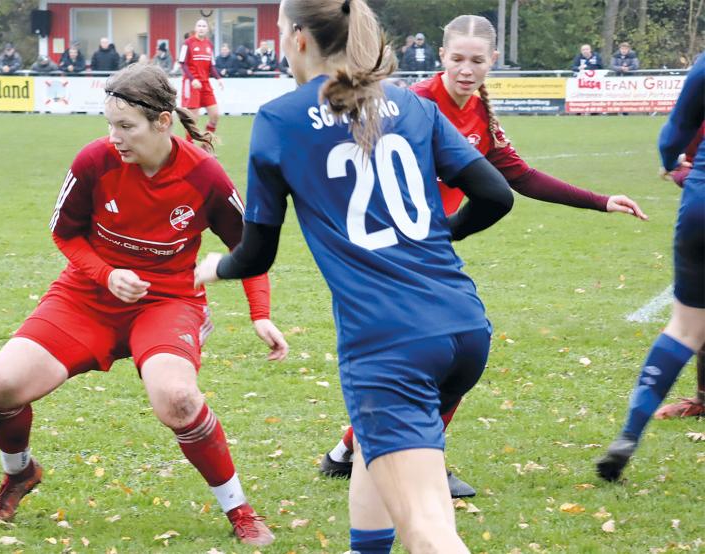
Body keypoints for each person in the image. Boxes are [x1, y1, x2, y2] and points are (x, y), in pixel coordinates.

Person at [194, 2, 514, 550]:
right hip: (463, 326)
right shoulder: (410, 103)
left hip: (390, 341)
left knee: (429, 529)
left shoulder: (280, 118)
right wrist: (438, 236)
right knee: (373, 451)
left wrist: (212, 269)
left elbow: (256, 254)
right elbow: (496, 195)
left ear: (298, 38)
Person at [318, 14, 648, 499]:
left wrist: (601, 200)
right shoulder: (412, 103)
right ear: (441, 57)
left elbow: (520, 176)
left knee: (444, 353)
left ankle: (347, 452)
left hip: (430, 253)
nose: (465, 69)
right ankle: (412, 461)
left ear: (492, 60)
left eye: (476, 60)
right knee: (446, 352)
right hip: (392, 252)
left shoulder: (479, 114)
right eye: (456, 59)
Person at [0, 62, 285, 546]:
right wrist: (106, 273)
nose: (114, 137)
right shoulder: (93, 162)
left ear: (163, 122)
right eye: (109, 124)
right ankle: (19, 474)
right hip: (87, 296)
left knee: (178, 399)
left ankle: (240, 511)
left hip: (169, 301)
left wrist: (260, 313)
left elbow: (252, 247)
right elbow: (65, 234)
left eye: (126, 126)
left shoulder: (205, 175)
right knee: (1, 386)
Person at [597, 54, 704, 481]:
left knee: (683, 328)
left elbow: (674, 134)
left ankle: (629, 433)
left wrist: (670, 165)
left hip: (700, 208)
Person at [178, 19, 223, 150]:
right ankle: (190, 148)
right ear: (195, 28)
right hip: (192, 85)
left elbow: (212, 65)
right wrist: (193, 80)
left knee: (215, 115)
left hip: (205, 84)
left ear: (207, 29)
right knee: (193, 119)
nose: (201, 28)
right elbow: (182, 63)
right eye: (199, 26)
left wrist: (219, 78)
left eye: (204, 26)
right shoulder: (188, 43)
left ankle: (205, 147)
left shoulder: (209, 44)